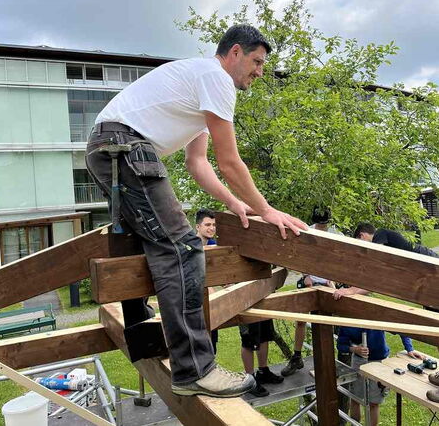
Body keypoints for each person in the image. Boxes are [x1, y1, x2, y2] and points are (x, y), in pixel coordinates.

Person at [85, 24, 308, 398]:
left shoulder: (198, 86)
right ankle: (194, 369)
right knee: (184, 247)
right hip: (125, 146)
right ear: (234, 53)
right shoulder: (215, 78)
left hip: (108, 148)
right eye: (256, 61)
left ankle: (145, 335)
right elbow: (230, 161)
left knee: (148, 241)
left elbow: (198, 162)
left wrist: (234, 203)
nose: (260, 71)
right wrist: (266, 210)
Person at [281, 207, 337, 377]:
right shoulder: (307, 232)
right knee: (301, 321)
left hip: (326, 283)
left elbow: (339, 260)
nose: (322, 227)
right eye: (319, 225)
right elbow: (298, 256)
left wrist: (332, 279)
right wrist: (306, 276)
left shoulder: (335, 234)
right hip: (309, 281)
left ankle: (327, 360)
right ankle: (297, 357)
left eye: (324, 225)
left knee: (325, 322)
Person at [337, 327, 423, 426]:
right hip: (359, 361)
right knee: (355, 398)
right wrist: (354, 349)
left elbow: (400, 327)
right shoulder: (349, 322)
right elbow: (341, 345)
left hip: (379, 361)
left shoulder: (377, 318)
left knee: (374, 403)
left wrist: (410, 348)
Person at [239, 321, 284, 397]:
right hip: (246, 315)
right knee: (248, 340)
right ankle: (250, 381)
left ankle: (263, 372)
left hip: (260, 313)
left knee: (264, 334)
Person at [195, 208, 218, 353]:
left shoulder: (214, 244)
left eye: (214, 225)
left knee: (212, 344)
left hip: (210, 302)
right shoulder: (190, 247)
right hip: (195, 303)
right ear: (198, 227)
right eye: (208, 225)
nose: (212, 228)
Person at [353, 223, 439, 258]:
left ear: (362, 235)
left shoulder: (380, 233)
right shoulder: (381, 237)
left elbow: (377, 254)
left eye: (359, 242)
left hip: (424, 255)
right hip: (420, 257)